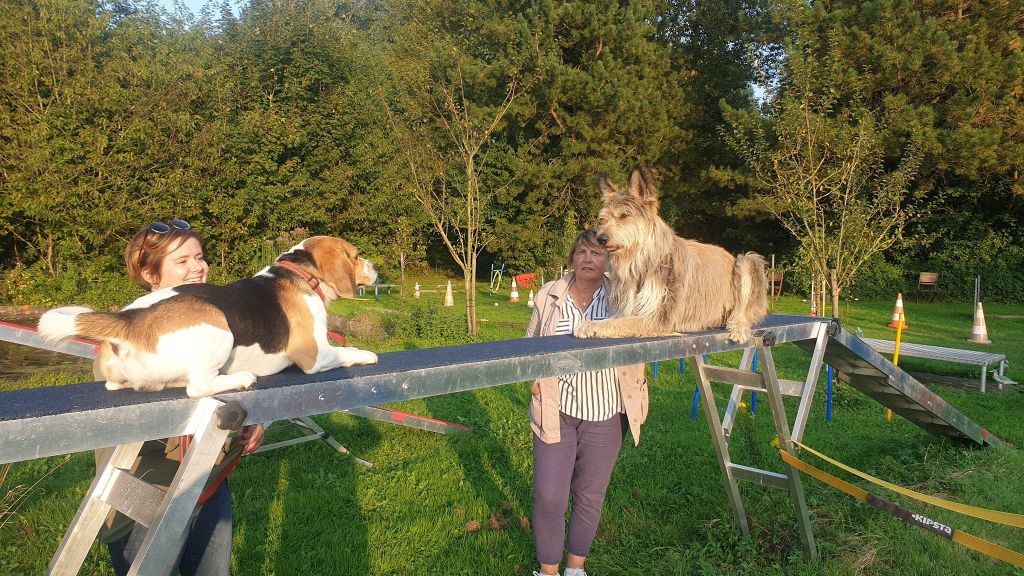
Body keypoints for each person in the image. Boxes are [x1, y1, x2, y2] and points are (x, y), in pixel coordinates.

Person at [95, 219, 264, 576]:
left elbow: (226, 388)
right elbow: (124, 420)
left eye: (200, 257)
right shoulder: (124, 335)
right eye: (182, 260)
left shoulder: (212, 325)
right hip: (144, 492)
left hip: (207, 481)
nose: (198, 268)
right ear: (150, 276)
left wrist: (250, 418)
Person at [525, 230, 649, 576]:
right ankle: (548, 570)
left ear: (609, 259)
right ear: (572, 259)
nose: (588, 260)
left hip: (605, 412)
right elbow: (530, 343)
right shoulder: (550, 294)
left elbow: (646, 333)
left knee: (589, 495)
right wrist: (535, 378)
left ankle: (575, 567)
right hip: (556, 409)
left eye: (596, 253)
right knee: (550, 495)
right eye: (581, 253)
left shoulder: (623, 296)